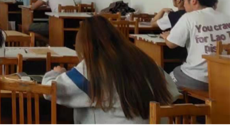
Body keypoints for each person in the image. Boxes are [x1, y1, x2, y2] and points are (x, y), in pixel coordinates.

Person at [43, 16, 179, 124]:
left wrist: (56, 73)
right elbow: (172, 93)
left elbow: (50, 91)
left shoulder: (92, 68)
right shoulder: (144, 60)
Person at [163, 0, 229, 92]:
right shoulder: (226, 17)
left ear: (193, 1)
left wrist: (167, 37)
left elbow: (171, 44)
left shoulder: (189, 17)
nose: (184, 5)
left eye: (185, 1)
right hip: (224, 79)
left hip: (198, 78)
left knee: (164, 81)